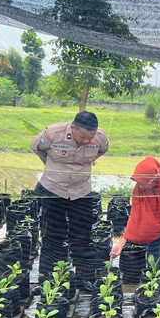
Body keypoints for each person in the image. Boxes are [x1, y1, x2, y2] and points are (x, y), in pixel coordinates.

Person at [31, 111, 109, 278]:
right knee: (52, 234)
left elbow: (102, 150)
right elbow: (37, 147)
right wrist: (51, 166)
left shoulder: (100, 136)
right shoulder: (53, 134)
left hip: (81, 191)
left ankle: (83, 276)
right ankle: (48, 275)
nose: (87, 141)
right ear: (73, 127)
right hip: (54, 189)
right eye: (82, 137)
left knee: (82, 236)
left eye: (90, 138)